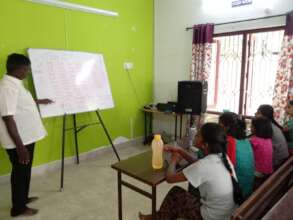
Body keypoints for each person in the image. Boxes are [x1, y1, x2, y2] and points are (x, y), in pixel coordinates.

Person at [139, 123, 242, 220]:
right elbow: (197, 163)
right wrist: (180, 150)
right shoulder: (222, 157)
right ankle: (157, 216)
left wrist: (174, 160)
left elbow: (170, 178)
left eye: (198, 135)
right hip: (225, 214)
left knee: (175, 194)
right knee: (182, 196)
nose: (195, 136)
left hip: (210, 217)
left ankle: (156, 218)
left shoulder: (205, 165)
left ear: (205, 145)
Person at [0, 53, 53, 217]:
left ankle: (22, 199)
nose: (28, 72)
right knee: (20, 174)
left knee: (25, 171)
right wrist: (20, 147)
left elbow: (19, 103)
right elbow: (8, 119)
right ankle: (18, 209)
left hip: (27, 137)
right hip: (20, 141)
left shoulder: (15, 83)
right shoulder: (6, 87)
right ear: (17, 69)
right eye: (27, 69)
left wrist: (38, 101)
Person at [219, 112, 254, 199]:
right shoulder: (245, 140)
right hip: (248, 186)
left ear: (226, 127)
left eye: (219, 124)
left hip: (238, 190)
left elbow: (227, 166)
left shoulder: (230, 141)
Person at [250, 117, 273, 189]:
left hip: (259, 170)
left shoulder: (255, 140)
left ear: (257, 128)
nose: (250, 127)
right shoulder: (268, 139)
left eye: (252, 126)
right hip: (268, 169)